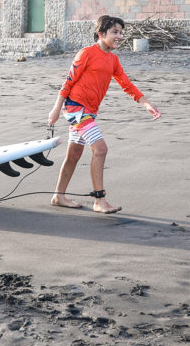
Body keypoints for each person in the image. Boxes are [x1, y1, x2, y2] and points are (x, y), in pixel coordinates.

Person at [46, 15, 161, 214]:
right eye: (115, 32)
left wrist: (146, 103)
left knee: (74, 154)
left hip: (89, 111)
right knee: (100, 149)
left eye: (121, 32)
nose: (120, 36)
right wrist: (56, 108)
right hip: (75, 108)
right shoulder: (86, 53)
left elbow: (126, 84)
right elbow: (68, 82)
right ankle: (99, 200)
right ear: (101, 34)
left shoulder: (113, 59)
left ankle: (59, 196)